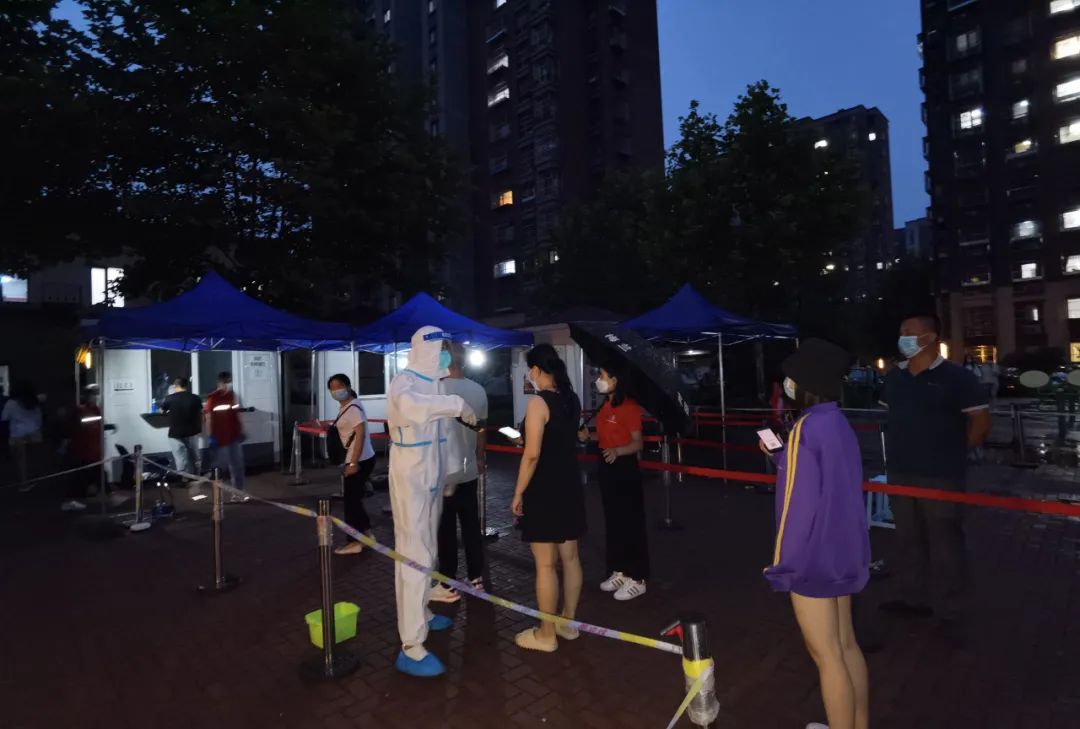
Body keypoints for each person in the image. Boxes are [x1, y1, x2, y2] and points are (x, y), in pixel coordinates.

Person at [761, 338, 870, 729]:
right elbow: (826, 480)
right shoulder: (836, 422)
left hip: (812, 557)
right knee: (846, 645)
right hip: (843, 550)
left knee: (826, 656)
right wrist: (782, 457)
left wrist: (784, 566)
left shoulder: (805, 428)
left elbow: (796, 507)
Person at [879, 314, 991, 647]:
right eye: (901, 332)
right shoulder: (895, 377)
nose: (903, 338)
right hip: (901, 472)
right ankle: (912, 597)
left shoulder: (958, 378)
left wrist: (955, 454)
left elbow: (981, 423)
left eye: (909, 333)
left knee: (946, 544)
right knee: (908, 539)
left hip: (941, 476)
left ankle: (951, 612)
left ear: (929, 338)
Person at [386, 326, 478, 678]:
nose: (446, 355)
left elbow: (444, 433)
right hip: (410, 480)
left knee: (430, 550)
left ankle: (422, 610)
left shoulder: (436, 384)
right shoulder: (404, 383)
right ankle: (411, 644)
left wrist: (451, 473)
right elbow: (414, 409)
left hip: (433, 480)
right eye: (441, 348)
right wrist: (455, 404)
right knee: (414, 554)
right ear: (426, 350)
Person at [511, 344, 586, 653]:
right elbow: (569, 437)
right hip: (570, 485)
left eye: (530, 369)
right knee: (571, 559)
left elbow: (532, 455)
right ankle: (567, 623)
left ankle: (546, 634)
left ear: (537, 370)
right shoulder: (572, 399)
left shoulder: (538, 403)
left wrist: (518, 492)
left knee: (545, 565)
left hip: (544, 488)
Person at [578, 362, 648, 601]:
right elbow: (604, 436)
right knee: (614, 521)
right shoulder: (605, 406)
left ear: (616, 380)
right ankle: (619, 570)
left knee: (630, 522)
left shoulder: (630, 407)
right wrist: (588, 436)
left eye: (603, 375)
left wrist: (618, 451)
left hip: (624, 468)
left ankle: (637, 578)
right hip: (606, 465)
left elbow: (637, 443)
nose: (598, 379)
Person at [432, 342, 490, 603]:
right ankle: (476, 577)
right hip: (468, 469)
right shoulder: (478, 390)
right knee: (471, 527)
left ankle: (447, 581)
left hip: (443, 471)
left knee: (444, 529)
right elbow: (481, 428)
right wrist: (479, 457)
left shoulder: (436, 389)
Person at [326, 373, 376, 556]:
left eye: (338, 386)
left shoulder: (353, 407)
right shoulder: (349, 405)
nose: (335, 391)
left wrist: (353, 463)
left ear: (347, 386)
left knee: (351, 504)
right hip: (362, 458)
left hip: (359, 460)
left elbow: (360, 435)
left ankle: (354, 542)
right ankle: (367, 536)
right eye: (332, 388)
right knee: (354, 500)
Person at [204, 371, 247, 501]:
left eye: (229, 382)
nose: (228, 385)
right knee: (220, 469)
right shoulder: (212, 398)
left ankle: (238, 494)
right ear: (220, 383)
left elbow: (236, 413)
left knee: (237, 466)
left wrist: (241, 430)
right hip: (220, 439)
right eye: (226, 382)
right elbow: (208, 418)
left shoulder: (232, 396)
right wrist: (211, 436)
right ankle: (218, 499)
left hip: (233, 436)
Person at [62, 387, 104, 512]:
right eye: (92, 395)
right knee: (81, 477)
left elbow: (99, 426)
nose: (94, 397)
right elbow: (72, 428)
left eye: (95, 395)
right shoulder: (79, 410)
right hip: (83, 450)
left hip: (95, 451)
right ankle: (74, 501)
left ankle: (90, 500)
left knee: (93, 476)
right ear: (86, 396)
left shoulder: (97, 410)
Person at [2, 381, 43, 487]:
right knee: (34, 461)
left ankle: (24, 483)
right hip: (35, 435)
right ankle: (36, 481)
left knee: (21, 462)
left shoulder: (11, 404)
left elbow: (4, 418)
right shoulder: (35, 402)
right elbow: (39, 420)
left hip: (17, 436)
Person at [162, 377, 203, 481]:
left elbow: (161, 411)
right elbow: (201, 413)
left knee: (180, 458)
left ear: (175, 386)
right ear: (186, 386)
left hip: (175, 433)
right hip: (192, 431)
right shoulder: (195, 398)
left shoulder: (169, 398)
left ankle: (184, 479)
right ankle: (197, 476)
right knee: (195, 456)